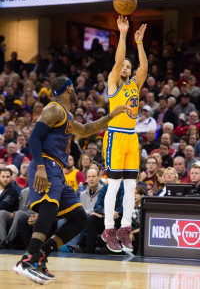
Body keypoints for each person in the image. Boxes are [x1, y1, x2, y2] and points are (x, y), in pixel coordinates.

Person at [13, 76, 130, 284]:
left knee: (79, 218)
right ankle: (28, 259)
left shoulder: (65, 115)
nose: (76, 91)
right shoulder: (54, 109)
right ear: (68, 89)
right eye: (74, 88)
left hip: (56, 168)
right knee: (49, 208)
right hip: (46, 164)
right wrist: (40, 166)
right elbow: (33, 139)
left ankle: (41, 255)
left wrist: (112, 115)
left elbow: (86, 130)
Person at [102, 16, 148, 253]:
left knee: (131, 187)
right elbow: (119, 60)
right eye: (124, 66)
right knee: (114, 185)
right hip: (115, 137)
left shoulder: (134, 85)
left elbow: (145, 68)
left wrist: (139, 43)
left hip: (131, 137)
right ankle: (109, 228)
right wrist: (122, 34)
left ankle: (125, 228)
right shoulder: (113, 82)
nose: (126, 68)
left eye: (129, 67)